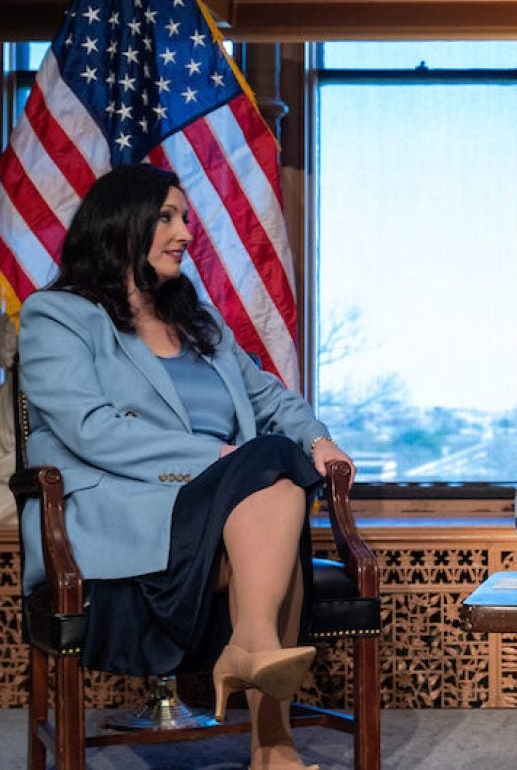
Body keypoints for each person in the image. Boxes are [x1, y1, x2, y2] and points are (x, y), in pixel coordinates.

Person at [18, 164, 351, 770]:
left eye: (186, 219)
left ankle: (252, 647)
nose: (185, 233)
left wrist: (318, 441)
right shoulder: (57, 315)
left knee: (276, 478)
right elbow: (90, 429)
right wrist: (215, 459)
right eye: (168, 217)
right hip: (132, 510)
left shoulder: (198, 320)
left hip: (234, 504)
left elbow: (269, 399)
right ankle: (272, 745)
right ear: (122, 226)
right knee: (271, 473)